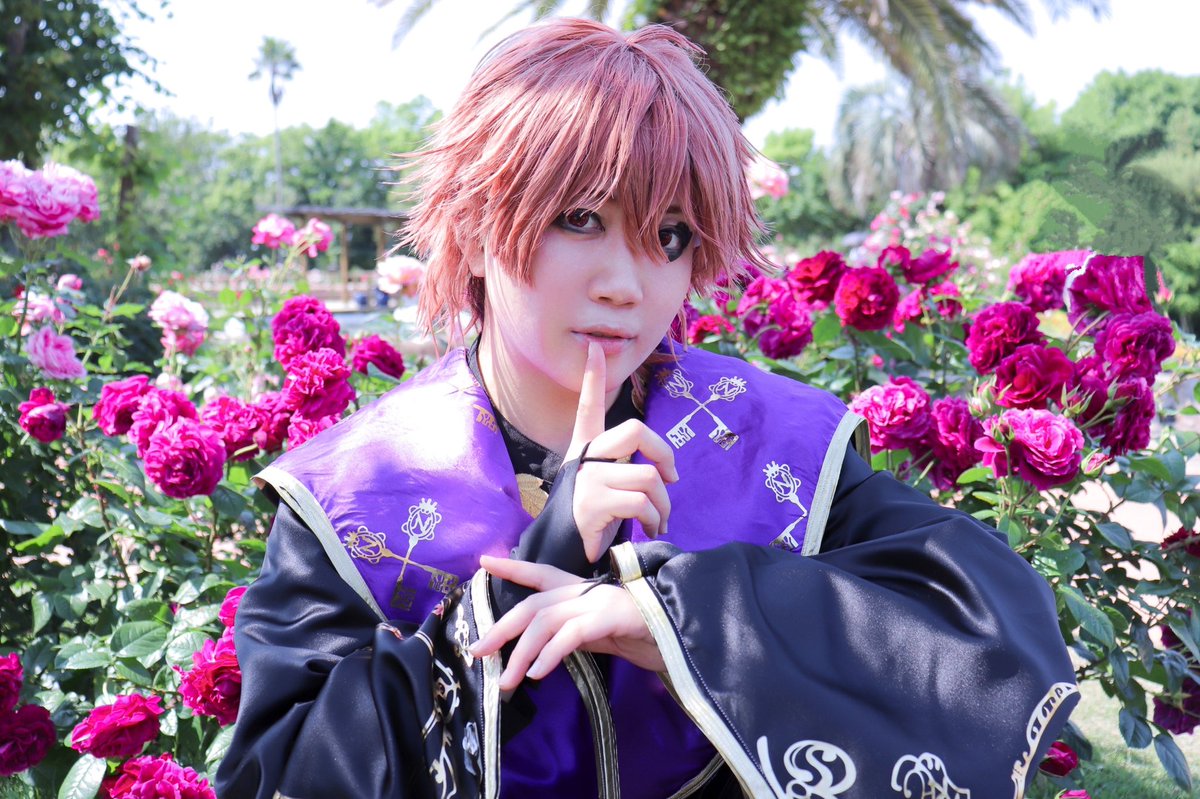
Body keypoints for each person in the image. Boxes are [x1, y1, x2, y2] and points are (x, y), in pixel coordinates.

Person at [216, 18, 1077, 799]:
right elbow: (281, 772)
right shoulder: (351, 496)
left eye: (669, 235)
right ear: (475, 229)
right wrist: (535, 565)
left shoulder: (775, 442)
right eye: (580, 217)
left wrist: (681, 619)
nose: (627, 284)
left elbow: (995, 638)